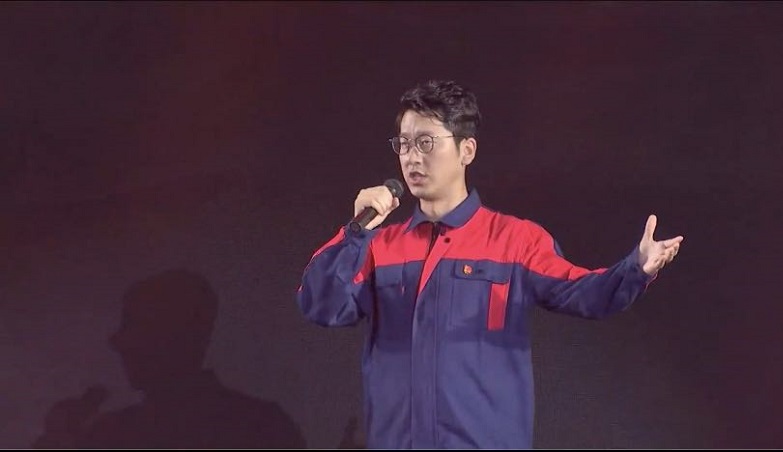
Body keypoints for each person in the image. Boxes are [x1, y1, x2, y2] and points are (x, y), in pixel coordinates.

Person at [296, 80, 682, 449]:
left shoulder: (514, 240)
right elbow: (320, 305)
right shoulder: (380, 247)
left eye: (426, 142)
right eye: (404, 144)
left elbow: (582, 292)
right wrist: (354, 231)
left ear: (466, 150)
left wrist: (636, 267)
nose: (412, 156)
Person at [35, 269, 306, 449]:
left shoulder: (112, 435)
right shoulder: (261, 425)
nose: (117, 341)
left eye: (134, 325)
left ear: (176, 335)